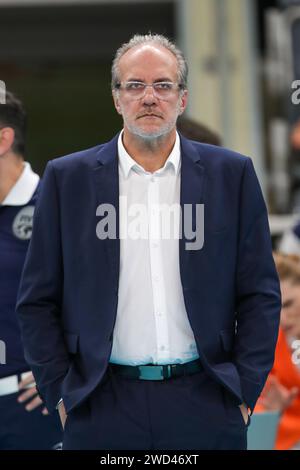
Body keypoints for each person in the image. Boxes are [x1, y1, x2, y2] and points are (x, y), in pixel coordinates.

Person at [16, 34, 281, 450]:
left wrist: (243, 392)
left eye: (163, 85)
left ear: (183, 98)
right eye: (134, 86)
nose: (149, 97)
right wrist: (63, 394)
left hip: (206, 400)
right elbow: (36, 300)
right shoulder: (68, 180)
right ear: (117, 99)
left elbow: (260, 294)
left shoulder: (232, 175)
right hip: (101, 404)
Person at [0, 91, 62, 449]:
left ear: (4, 139)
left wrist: (67, 372)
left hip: (33, 414)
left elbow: (100, 299)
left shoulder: (56, 208)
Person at [255, 253, 300, 450]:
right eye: (275, 308)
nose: (282, 318)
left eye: (288, 304)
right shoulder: (268, 344)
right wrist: (271, 410)